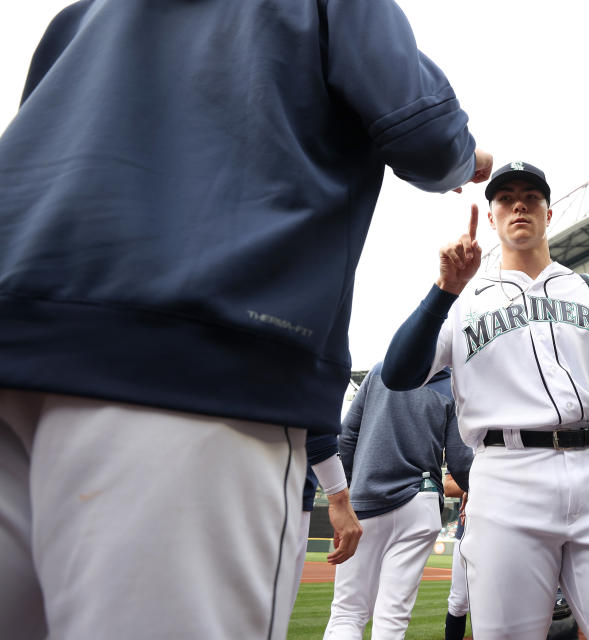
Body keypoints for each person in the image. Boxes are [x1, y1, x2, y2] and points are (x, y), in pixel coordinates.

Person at [0, 1, 492, 637]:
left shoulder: (83, 14)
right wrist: (471, 161)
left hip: (18, 344)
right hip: (195, 371)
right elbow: (427, 135)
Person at [380, 162, 589, 639]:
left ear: (549, 212)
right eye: (506, 198)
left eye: (531, 195)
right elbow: (399, 373)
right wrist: (444, 289)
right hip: (507, 478)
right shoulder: (466, 300)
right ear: (492, 218)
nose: (519, 204)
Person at [324, 363, 472, 639]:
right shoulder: (454, 385)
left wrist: (342, 504)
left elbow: (345, 440)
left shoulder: (380, 372)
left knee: (348, 612)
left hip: (365, 501)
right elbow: (461, 463)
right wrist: (474, 491)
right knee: (392, 618)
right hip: (420, 502)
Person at [443, 473, 470, 640]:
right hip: (465, 532)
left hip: (505, 531)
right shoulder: (463, 446)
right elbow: (449, 487)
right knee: (459, 601)